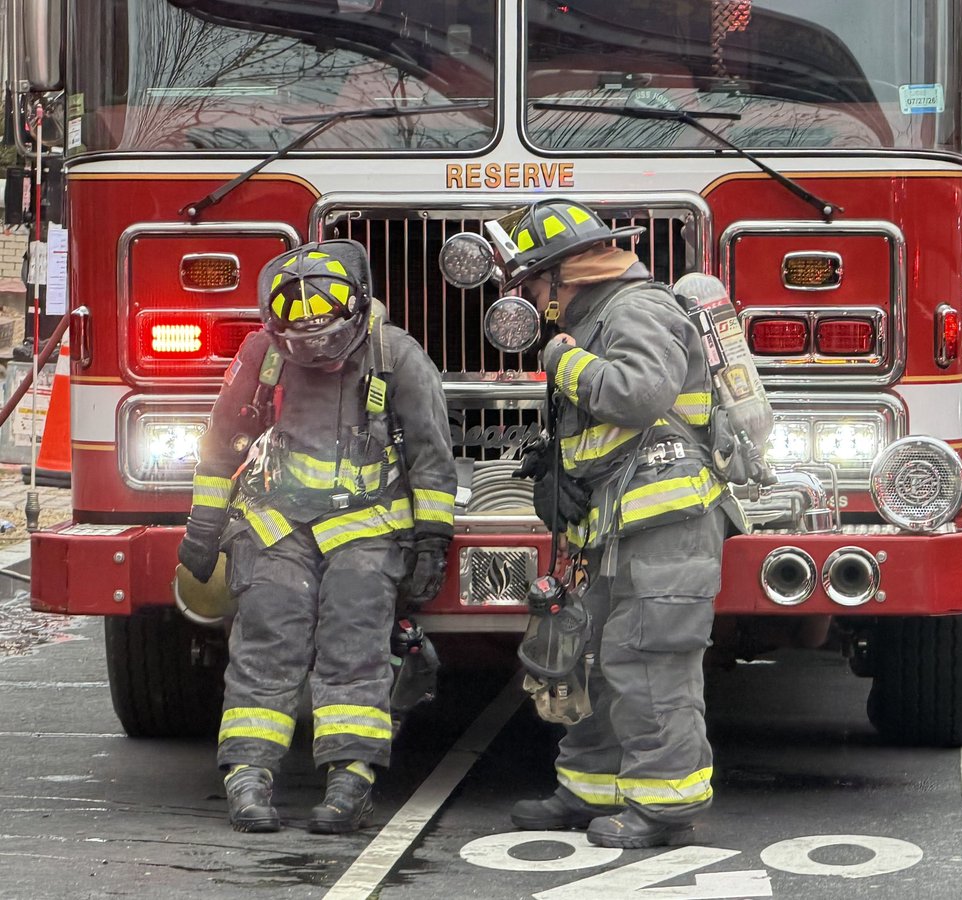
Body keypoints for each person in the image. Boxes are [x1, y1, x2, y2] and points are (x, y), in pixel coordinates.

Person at [176, 240, 456, 834]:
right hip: (277, 528)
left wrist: (433, 538)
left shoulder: (396, 355)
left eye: (327, 344)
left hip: (367, 529)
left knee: (354, 649)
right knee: (265, 644)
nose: (318, 356)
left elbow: (432, 457)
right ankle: (247, 780)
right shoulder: (263, 353)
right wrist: (203, 524)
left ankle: (350, 782)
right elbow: (220, 442)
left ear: (354, 316)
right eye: (300, 344)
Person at [490, 199, 742, 849]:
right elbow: (610, 430)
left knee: (649, 660)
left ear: (563, 274)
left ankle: (664, 807)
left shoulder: (637, 309)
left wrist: (561, 362)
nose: (535, 301)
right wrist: (559, 470)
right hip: (614, 526)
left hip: (665, 526)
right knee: (593, 656)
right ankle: (589, 788)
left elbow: (639, 394)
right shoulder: (598, 315)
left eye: (535, 285)